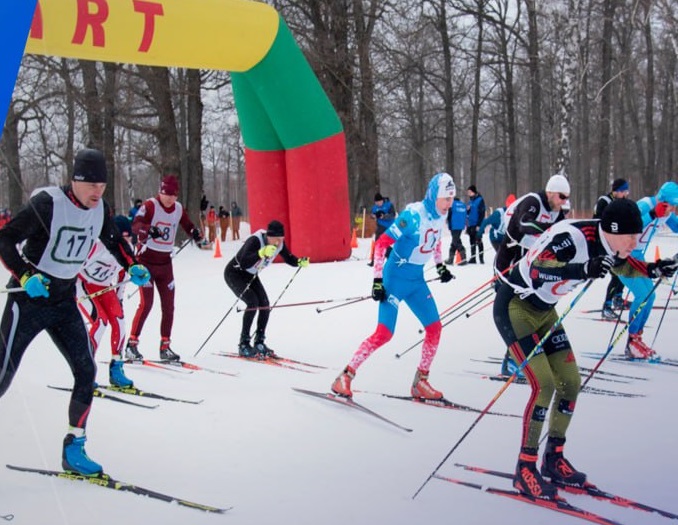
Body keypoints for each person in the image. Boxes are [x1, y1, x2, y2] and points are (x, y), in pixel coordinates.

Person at [493, 198, 677, 499]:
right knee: (544, 385)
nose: (635, 241)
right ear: (613, 230)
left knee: (571, 383)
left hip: (544, 312)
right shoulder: (573, 238)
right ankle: (525, 468)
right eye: (631, 236)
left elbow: (625, 265)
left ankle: (554, 459)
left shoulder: (610, 244)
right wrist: (583, 269)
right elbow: (539, 269)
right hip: (515, 307)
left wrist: (655, 268)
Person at [0, 148, 150, 476]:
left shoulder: (100, 210)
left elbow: (114, 240)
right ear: (75, 181)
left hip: (64, 301)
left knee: (86, 371)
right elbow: (5, 239)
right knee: (1, 378)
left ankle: (74, 448)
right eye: (91, 184)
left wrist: (132, 264)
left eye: (103, 185)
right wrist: (25, 274)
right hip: (28, 301)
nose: (97, 191)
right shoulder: (48, 204)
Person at [331, 172, 456, 400]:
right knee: (384, 333)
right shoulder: (413, 216)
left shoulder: (440, 216)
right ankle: (345, 376)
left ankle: (421, 381)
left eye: (452, 198)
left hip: (416, 281)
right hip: (394, 280)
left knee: (435, 328)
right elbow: (381, 244)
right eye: (446, 198)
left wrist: (440, 266)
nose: (449, 203)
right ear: (434, 196)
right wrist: (378, 281)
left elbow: (436, 240)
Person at [495, 174, 570, 376]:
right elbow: (523, 224)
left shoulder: (558, 211)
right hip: (508, 264)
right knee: (514, 313)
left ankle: (524, 355)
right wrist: (549, 230)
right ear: (551, 192)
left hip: (529, 268)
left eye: (566, 198)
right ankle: (511, 361)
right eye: (562, 197)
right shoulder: (533, 202)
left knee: (530, 310)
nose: (564, 202)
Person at [126, 175, 204, 362]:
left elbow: (187, 224)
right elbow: (135, 225)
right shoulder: (151, 205)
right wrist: (147, 229)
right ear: (160, 192)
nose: (168, 198)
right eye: (165, 193)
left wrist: (194, 233)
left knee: (169, 307)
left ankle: (165, 346)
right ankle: (131, 345)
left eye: (172, 194)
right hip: (146, 262)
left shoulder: (177, 209)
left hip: (165, 264)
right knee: (146, 304)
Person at [224, 220, 309, 357]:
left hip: (250, 274)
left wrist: (299, 262)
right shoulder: (255, 241)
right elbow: (244, 262)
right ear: (269, 237)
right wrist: (261, 252)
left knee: (264, 304)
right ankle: (244, 344)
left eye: (281, 239)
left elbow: (288, 257)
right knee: (252, 302)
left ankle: (259, 342)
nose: (279, 243)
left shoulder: (279, 244)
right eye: (276, 240)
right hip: (235, 273)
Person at [618, 181, 678, 358]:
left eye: (674, 206)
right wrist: (652, 215)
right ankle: (631, 342)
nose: (671, 210)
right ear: (662, 200)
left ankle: (636, 337)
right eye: (670, 205)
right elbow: (628, 226)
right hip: (622, 255)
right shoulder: (645, 205)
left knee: (650, 296)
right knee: (642, 295)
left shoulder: (667, 212)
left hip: (638, 256)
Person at [76, 215, 135, 387]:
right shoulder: (97, 246)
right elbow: (75, 266)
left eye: (127, 237)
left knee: (119, 321)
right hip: (84, 285)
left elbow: (123, 276)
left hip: (104, 287)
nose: (124, 243)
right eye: (121, 238)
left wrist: (119, 300)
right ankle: (85, 371)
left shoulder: (128, 250)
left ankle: (116, 369)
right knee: (100, 322)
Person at [593, 178, 630, 319]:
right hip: (602, 243)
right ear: (616, 191)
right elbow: (598, 221)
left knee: (623, 272)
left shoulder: (622, 202)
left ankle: (618, 298)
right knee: (616, 274)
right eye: (623, 191)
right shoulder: (605, 201)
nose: (626, 194)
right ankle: (607, 306)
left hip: (617, 243)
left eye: (627, 191)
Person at [367, 193, 396, 266]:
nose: (378, 204)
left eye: (379, 202)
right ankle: (375, 260)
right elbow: (371, 215)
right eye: (376, 203)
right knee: (378, 243)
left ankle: (392, 256)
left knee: (383, 243)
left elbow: (393, 215)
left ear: (382, 200)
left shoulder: (389, 205)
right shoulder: (374, 208)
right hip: (380, 227)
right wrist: (373, 216)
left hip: (389, 226)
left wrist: (384, 216)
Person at [466, 185, 486, 263]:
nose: (468, 193)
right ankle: (473, 258)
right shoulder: (470, 201)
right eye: (468, 192)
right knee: (471, 241)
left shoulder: (480, 200)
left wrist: (479, 225)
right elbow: (468, 213)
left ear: (474, 192)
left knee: (478, 240)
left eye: (470, 192)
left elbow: (482, 213)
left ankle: (481, 258)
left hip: (477, 224)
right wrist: (467, 210)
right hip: (471, 224)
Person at [445, 195, 467, 265]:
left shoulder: (452, 204)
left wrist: (448, 222)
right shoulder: (463, 205)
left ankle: (463, 259)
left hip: (454, 225)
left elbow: (449, 214)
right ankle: (451, 259)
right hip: (461, 225)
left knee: (456, 242)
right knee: (455, 241)